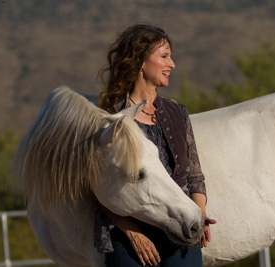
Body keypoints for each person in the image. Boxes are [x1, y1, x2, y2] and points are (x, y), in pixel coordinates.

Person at [96, 23, 216, 267]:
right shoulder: (110, 117)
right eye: (164, 56)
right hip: (131, 237)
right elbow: (97, 186)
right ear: (140, 61)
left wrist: (198, 214)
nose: (172, 64)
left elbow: (194, 175)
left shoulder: (177, 112)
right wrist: (132, 233)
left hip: (179, 228)